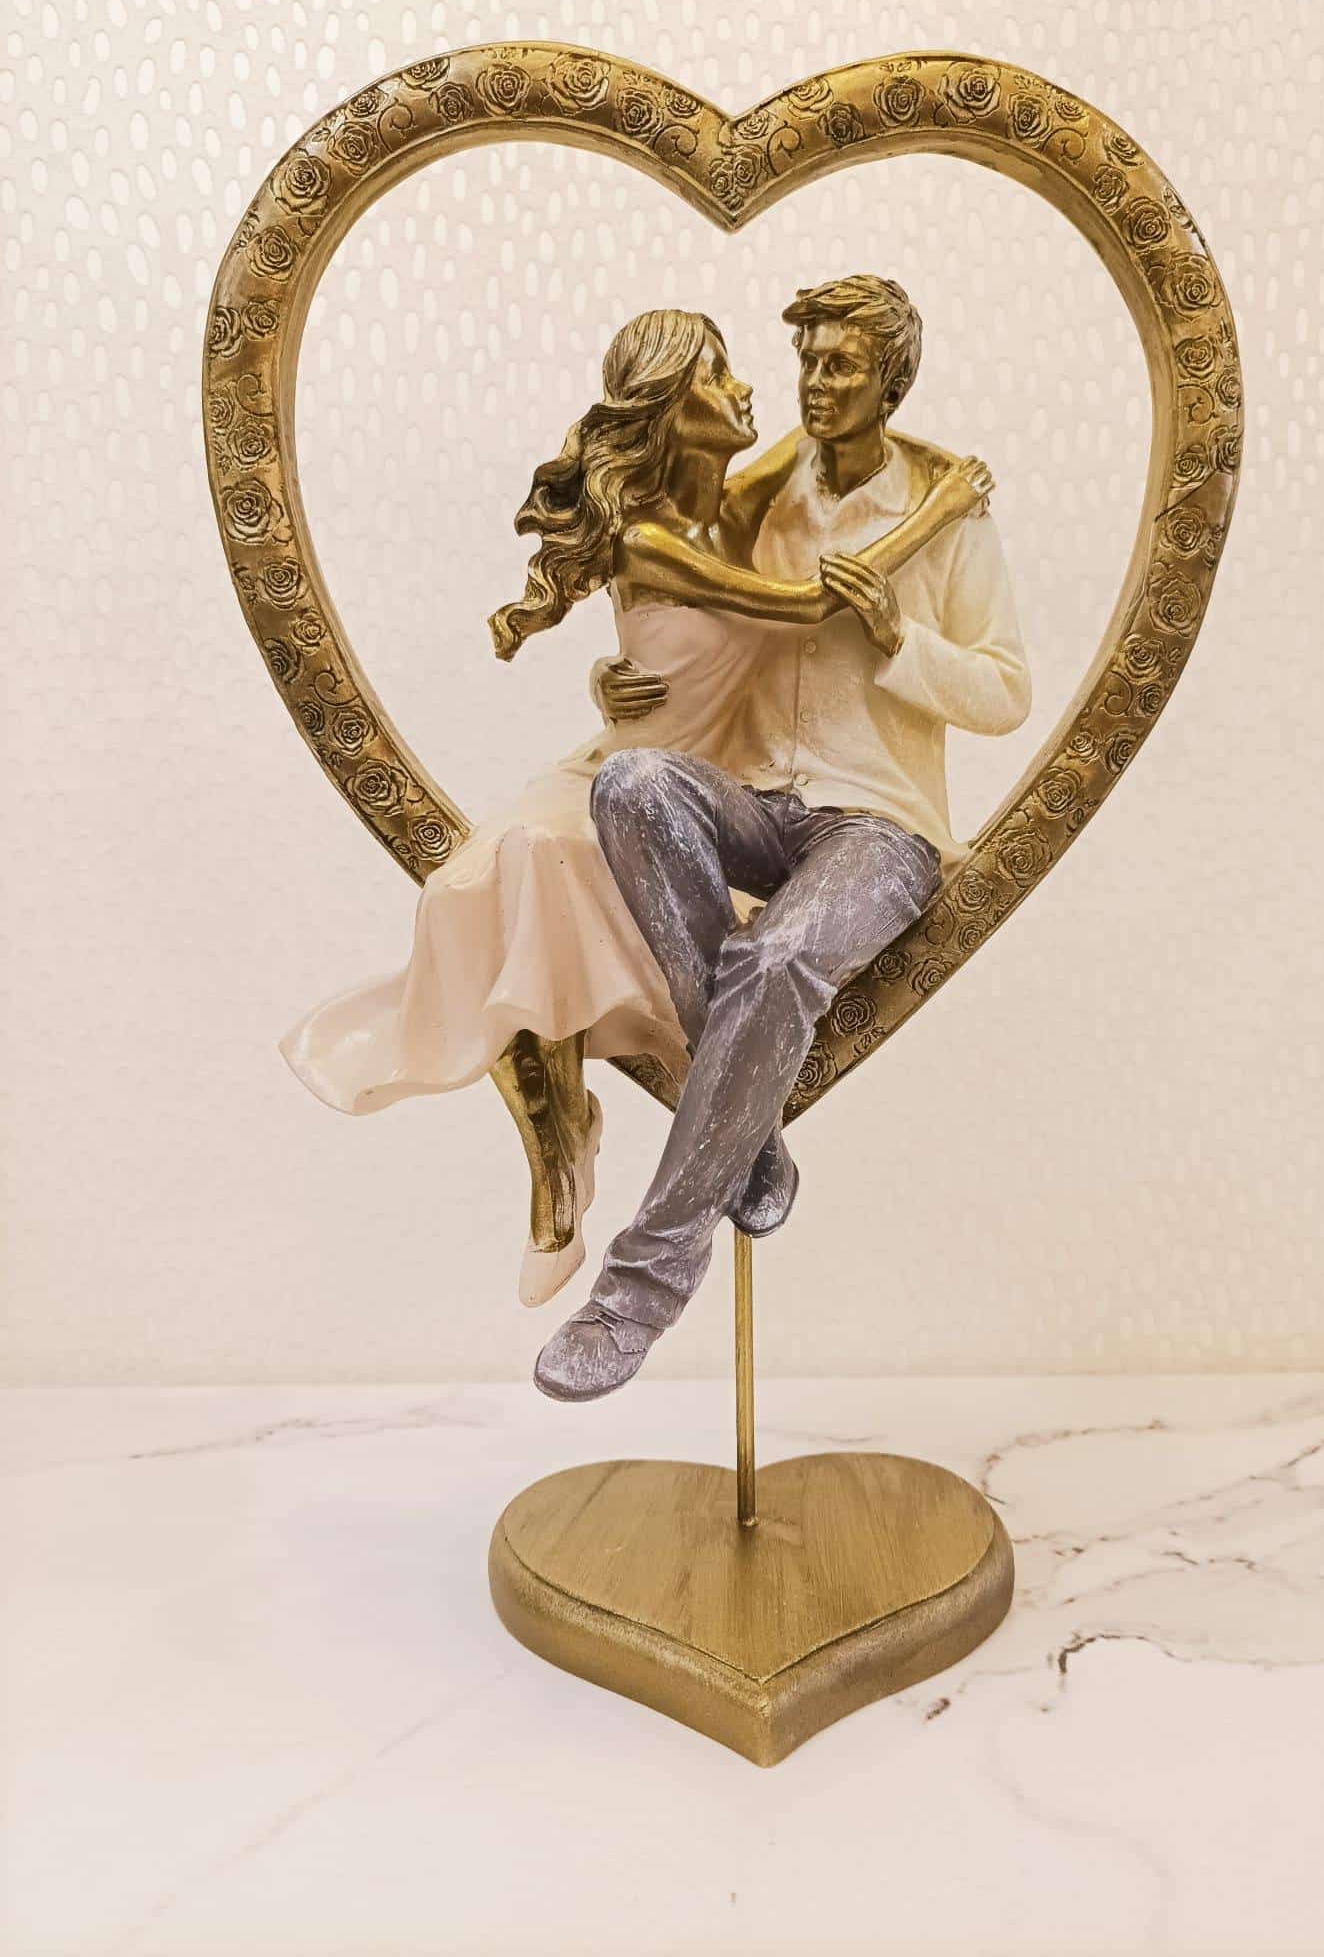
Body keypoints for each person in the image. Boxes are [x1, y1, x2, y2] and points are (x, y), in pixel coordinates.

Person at [280, 307, 991, 1308]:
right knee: (501, 877)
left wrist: (920, 460)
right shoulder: (649, 534)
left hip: (704, 790)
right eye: (718, 375)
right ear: (670, 405)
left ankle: (673, 1140)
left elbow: (824, 444)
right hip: (621, 777)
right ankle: (557, 1143)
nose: (753, 387)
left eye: (749, 370)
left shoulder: (738, 507)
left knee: (559, 886)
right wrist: (942, 506)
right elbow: (802, 606)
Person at [535, 275, 1031, 1401]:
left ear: (891, 382)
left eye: (841, 365)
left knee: (771, 957)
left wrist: (900, 638)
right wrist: (613, 673)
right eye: (807, 359)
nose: (814, 382)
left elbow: (1005, 692)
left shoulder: (952, 516)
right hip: (756, 797)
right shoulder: (764, 492)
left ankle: (637, 1289)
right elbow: (674, 592)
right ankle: (747, 1139)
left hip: (878, 825)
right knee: (632, 783)